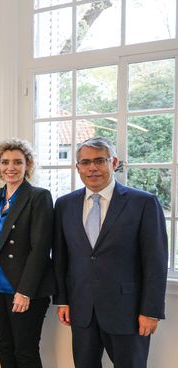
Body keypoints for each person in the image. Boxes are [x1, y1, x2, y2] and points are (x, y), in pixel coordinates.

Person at [54, 136, 168, 368]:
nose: (92, 167)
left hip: (128, 311)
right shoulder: (65, 204)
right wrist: (62, 301)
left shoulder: (143, 203)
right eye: (85, 162)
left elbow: (155, 261)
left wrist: (151, 310)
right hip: (82, 308)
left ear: (113, 162)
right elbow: (61, 256)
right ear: (78, 168)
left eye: (99, 160)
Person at [0, 139, 55, 368]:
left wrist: (25, 291)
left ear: (28, 165)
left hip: (25, 288)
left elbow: (41, 249)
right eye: (5, 162)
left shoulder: (39, 196)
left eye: (18, 162)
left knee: (25, 352)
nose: (11, 167)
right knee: (4, 347)